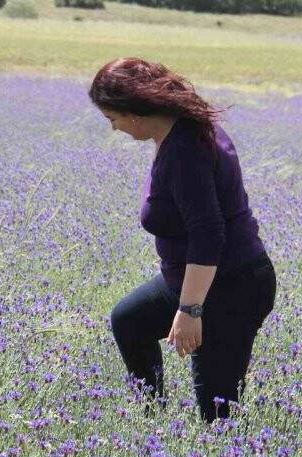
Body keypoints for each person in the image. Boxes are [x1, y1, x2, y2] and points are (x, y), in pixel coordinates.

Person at [89, 57, 276, 425]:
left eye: (113, 119)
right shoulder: (184, 129)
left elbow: (209, 236)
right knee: (130, 321)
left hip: (231, 286)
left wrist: (191, 311)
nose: (114, 129)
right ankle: (154, 421)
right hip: (197, 279)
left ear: (135, 112)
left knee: (217, 414)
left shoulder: (186, 149)